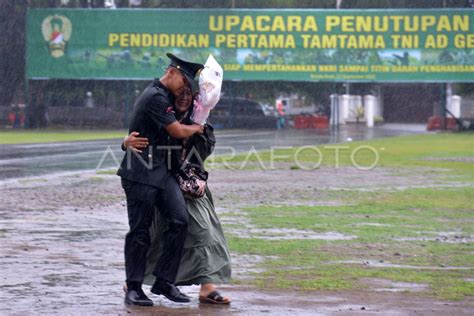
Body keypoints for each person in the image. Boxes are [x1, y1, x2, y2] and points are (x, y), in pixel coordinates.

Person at [123, 83, 232, 305]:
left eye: (189, 95)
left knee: (204, 233)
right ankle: (135, 281)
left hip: (190, 186)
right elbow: (140, 138)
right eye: (180, 94)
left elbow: (204, 149)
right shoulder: (162, 113)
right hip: (159, 181)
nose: (184, 98)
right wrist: (125, 143)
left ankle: (208, 286)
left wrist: (197, 130)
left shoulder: (199, 119)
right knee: (155, 237)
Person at [117, 53, 204, 307]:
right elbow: (176, 131)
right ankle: (133, 288)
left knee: (179, 220)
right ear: (173, 72)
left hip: (162, 172)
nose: (186, 88)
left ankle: (164, 281)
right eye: (185, 81)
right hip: (140, 173)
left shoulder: (167, 97)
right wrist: (197, 127)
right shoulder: (155, 96)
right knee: (140, 232)